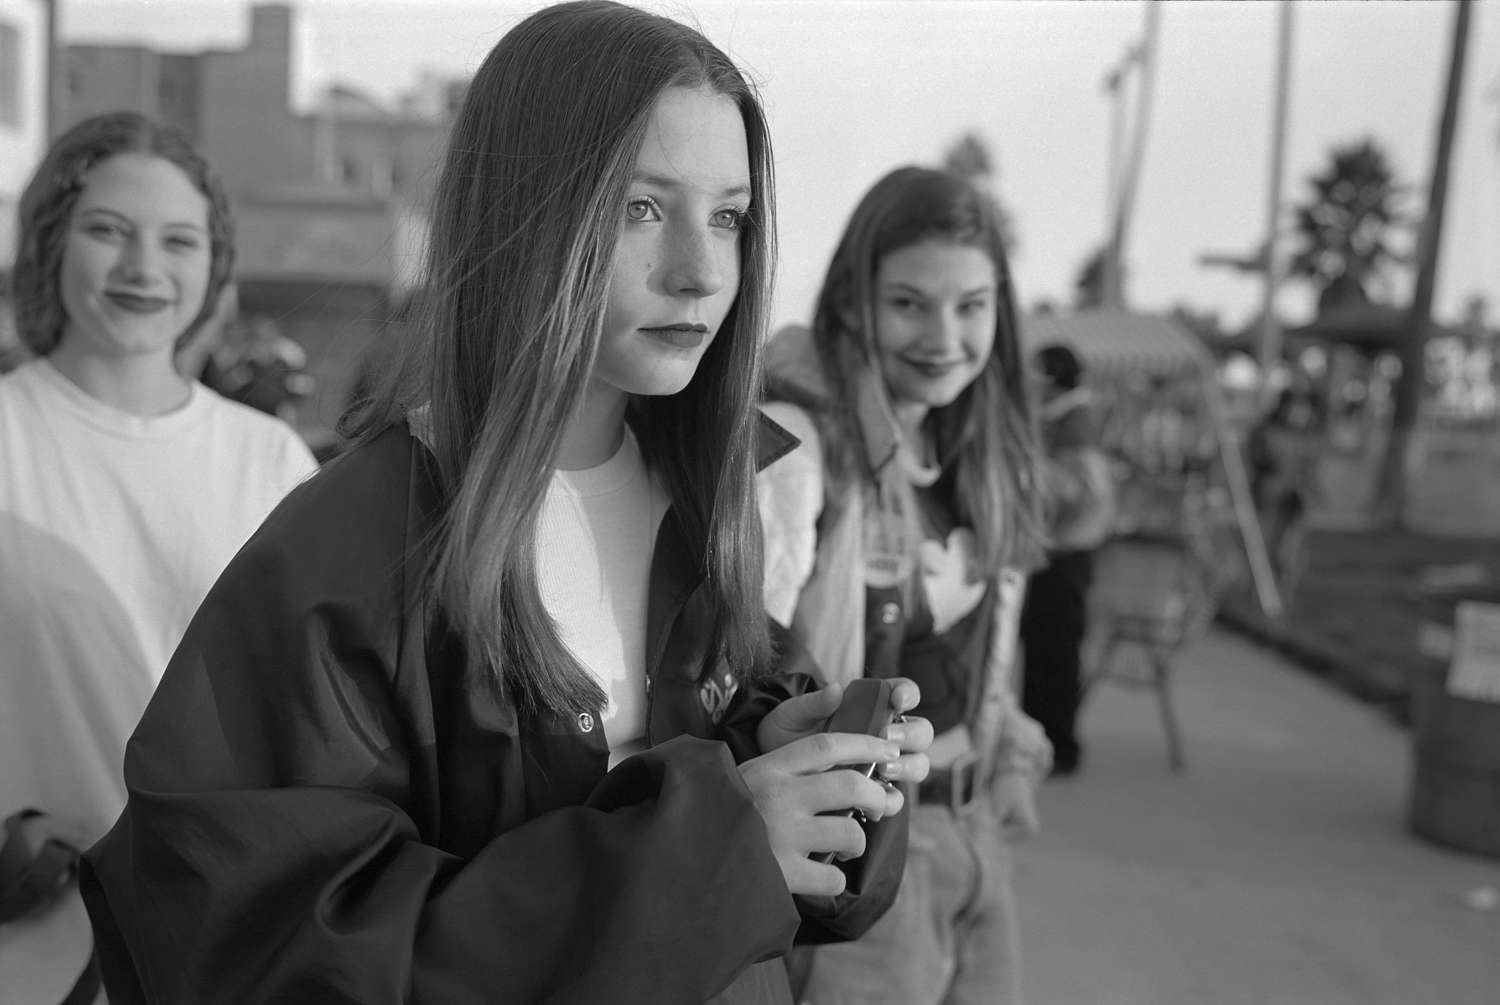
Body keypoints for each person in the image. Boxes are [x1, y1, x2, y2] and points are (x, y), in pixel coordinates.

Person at [80, 4, 932, 1003]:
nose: (703, 271)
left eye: (730, 216)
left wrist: (789, 759)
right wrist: (718, 845)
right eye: (640, 208)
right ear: (526, 210)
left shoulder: (709, 505)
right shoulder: (353, 551)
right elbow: (285, 951)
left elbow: (698, 782)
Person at [0, 112, 318, 1003]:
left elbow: (319, 719)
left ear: (212, 265)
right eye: (108, 231)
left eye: (178, 240)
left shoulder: (273, 463)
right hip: (28, 952)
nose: (145, 270)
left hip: (228, 957)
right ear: (50, 242)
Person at [757, 166, 1052, 1005]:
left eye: (971, 305)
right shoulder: (798, 446)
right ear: (854, 301)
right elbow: (742, 673)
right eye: (909, 303)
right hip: (868, 852)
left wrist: (1015, 751)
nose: (944, 335)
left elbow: (969, 661)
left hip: (979, 834)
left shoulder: (984, 457)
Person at [1020, 342, 1116, 778]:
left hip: (1063, 553)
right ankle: (1042, 738)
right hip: (1054, 551)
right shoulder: (1066, 416)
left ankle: (1058, 744)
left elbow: (1081, 492)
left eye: (1039, 372)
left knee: (1056, 653)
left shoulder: (1075, 421)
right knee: (1044, 651)